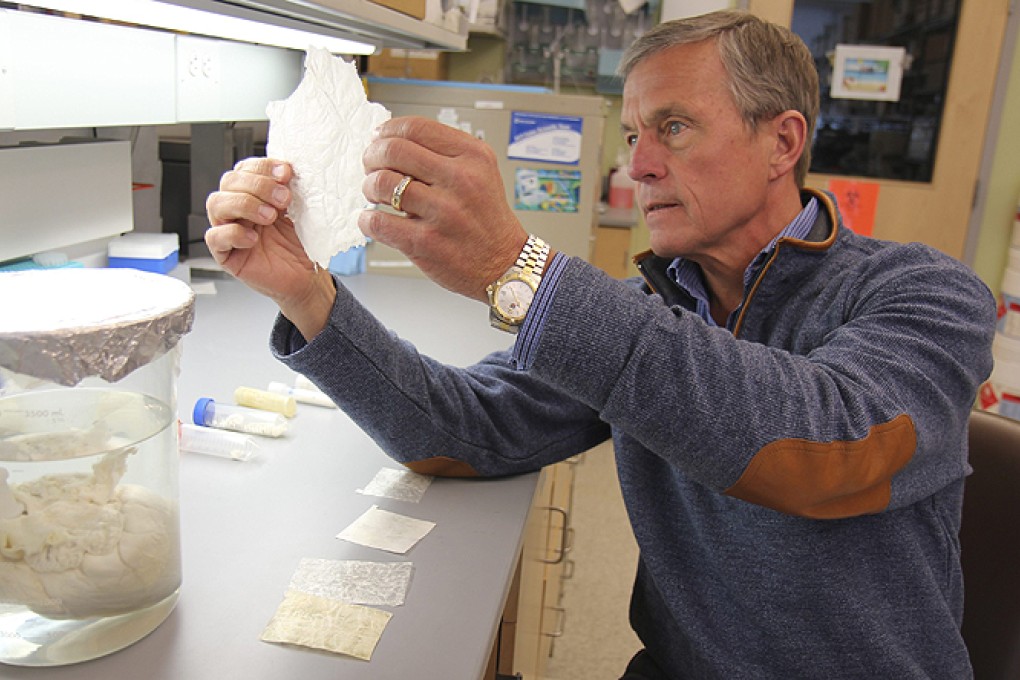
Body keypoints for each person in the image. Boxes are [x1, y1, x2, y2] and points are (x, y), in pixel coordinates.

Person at [205, 10, 996, 679]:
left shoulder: (928, 294)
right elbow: (459, 431)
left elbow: (825, 451)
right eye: (631, 134)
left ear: (781, 143)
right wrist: (308, 296)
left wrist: (519, 269)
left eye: (674, 129)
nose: (638, 166)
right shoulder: (644, 308)